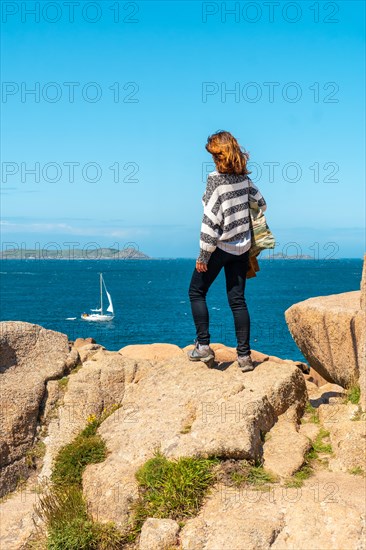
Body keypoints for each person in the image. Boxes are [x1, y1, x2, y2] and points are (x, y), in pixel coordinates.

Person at [187, 130, 267, 372]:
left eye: (214, 155)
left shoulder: (215, 179)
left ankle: (203, 346)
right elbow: (261, 204)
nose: (213, 160)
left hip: (219, 247)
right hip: (241, 248)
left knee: (196, 292)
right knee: (238, 301)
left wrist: (203, 255)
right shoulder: (245, 180)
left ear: (220, 155)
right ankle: (244, 357)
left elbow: (210, 220)